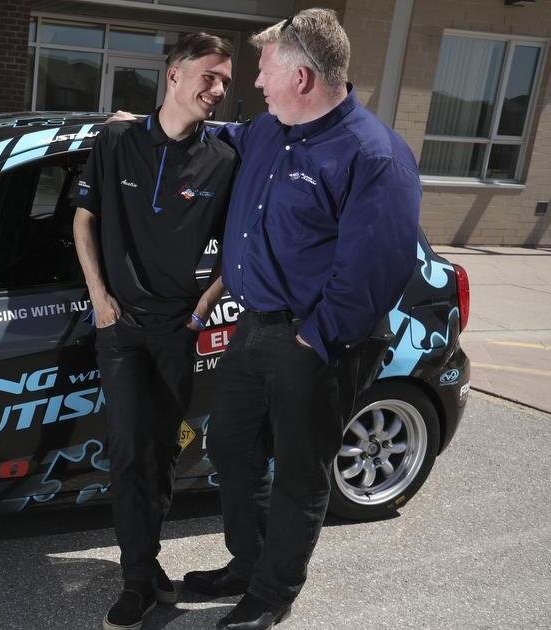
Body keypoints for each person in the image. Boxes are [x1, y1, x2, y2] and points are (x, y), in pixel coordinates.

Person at [179, 9, 421, 630]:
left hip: (319, 339)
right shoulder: (269, 130)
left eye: (264, 70)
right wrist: (158, 124)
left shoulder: (374, 156)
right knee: (231, 447)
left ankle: (274, 591)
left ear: (303, 77)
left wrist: (311, 339)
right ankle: (249, 563)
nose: (256, 83)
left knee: (297, 469)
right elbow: (226, 138)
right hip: (255, 325)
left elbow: (373, 272)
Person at [71, 32, 236, 630]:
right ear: (174, 74)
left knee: (164, 453)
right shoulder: (116, 139)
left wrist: (201, 311)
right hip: (120, 327)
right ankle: (137, 579)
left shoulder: (224, 158)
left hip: (178, 331)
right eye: (209, 77)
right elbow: (84, 219)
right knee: (126, 450)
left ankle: (147, 561)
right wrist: (99, 297)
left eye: (226, 81)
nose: (218, 90)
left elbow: (235, 254)